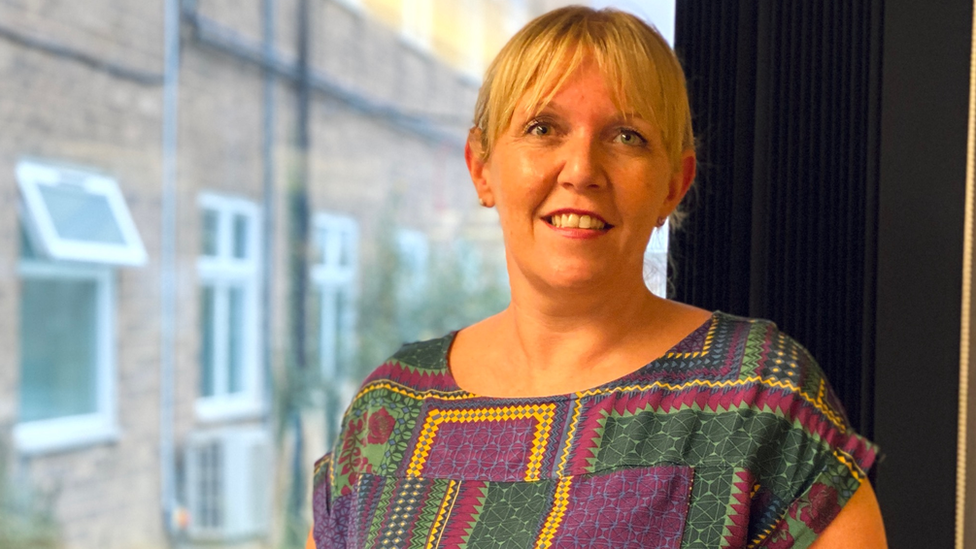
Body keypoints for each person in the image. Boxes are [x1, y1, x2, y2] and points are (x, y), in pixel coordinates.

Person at [309, 6, 886, 548]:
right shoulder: (390, 407)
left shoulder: (760, 395)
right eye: (543, 128)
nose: (582, 169)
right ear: (481, 168)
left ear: (672, 185)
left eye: (626, 136)